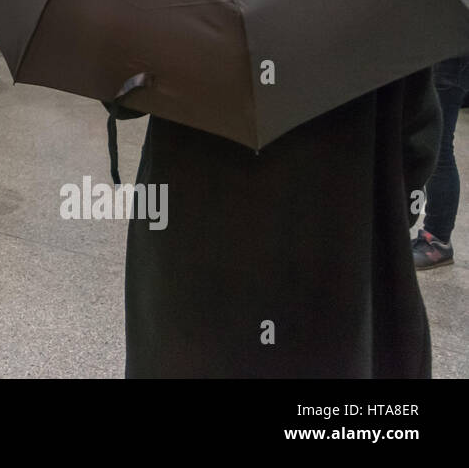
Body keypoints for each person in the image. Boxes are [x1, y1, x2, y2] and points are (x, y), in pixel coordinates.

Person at [118, 69, 440, 377]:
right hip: (334, 253)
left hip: (190, 240)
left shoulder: (178, 10)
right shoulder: (387, 14)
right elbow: (416, 141)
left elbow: (121, 89)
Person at [414, 53, 468, 269]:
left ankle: (437, 240)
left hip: (453, 53)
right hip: (447, 50)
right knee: (433, 141)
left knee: (438, 145)